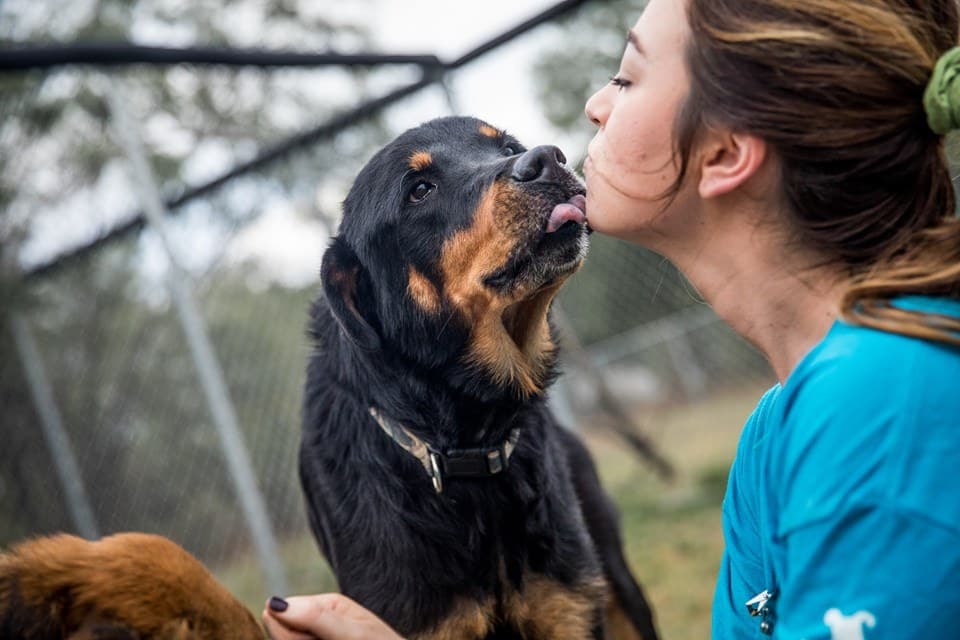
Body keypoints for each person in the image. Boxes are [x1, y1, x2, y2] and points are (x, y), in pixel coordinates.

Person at [263, 0, 960, 637]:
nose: (589, 111)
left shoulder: (881, 417)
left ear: (724, 153)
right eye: (422, 190)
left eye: (626, 79)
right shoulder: (778, 428)